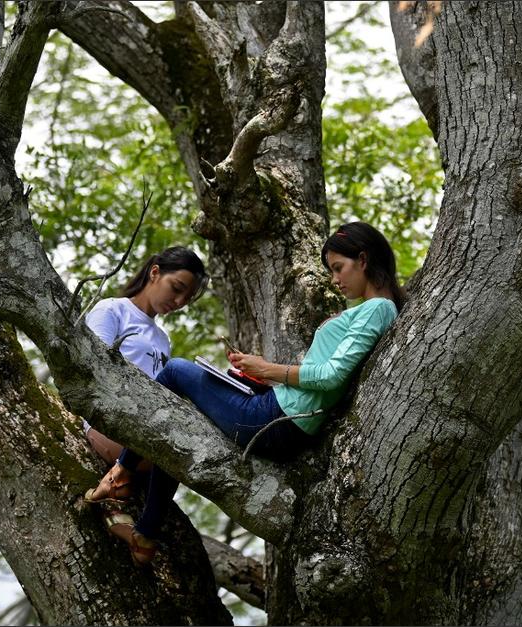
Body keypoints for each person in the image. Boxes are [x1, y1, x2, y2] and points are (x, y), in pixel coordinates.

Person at [84, 222, 404, 565]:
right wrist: (261, 377)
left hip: (279, 419)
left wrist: (267, 368)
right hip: (284, 416)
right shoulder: (371, 310)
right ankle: (145, 536)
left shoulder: (378, 308)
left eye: (338, 268)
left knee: (175, 370)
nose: (334, 279)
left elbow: (331, 376)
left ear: (364, 260)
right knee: (178, 427)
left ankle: (121, 473)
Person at [82, 246, 209, 468]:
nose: (179, 302)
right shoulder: (111, 310)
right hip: (107, 425)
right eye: (176, 288)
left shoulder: (162, 339)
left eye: (186, 299)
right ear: (155, 273)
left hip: (146, 430)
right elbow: (91, 370)